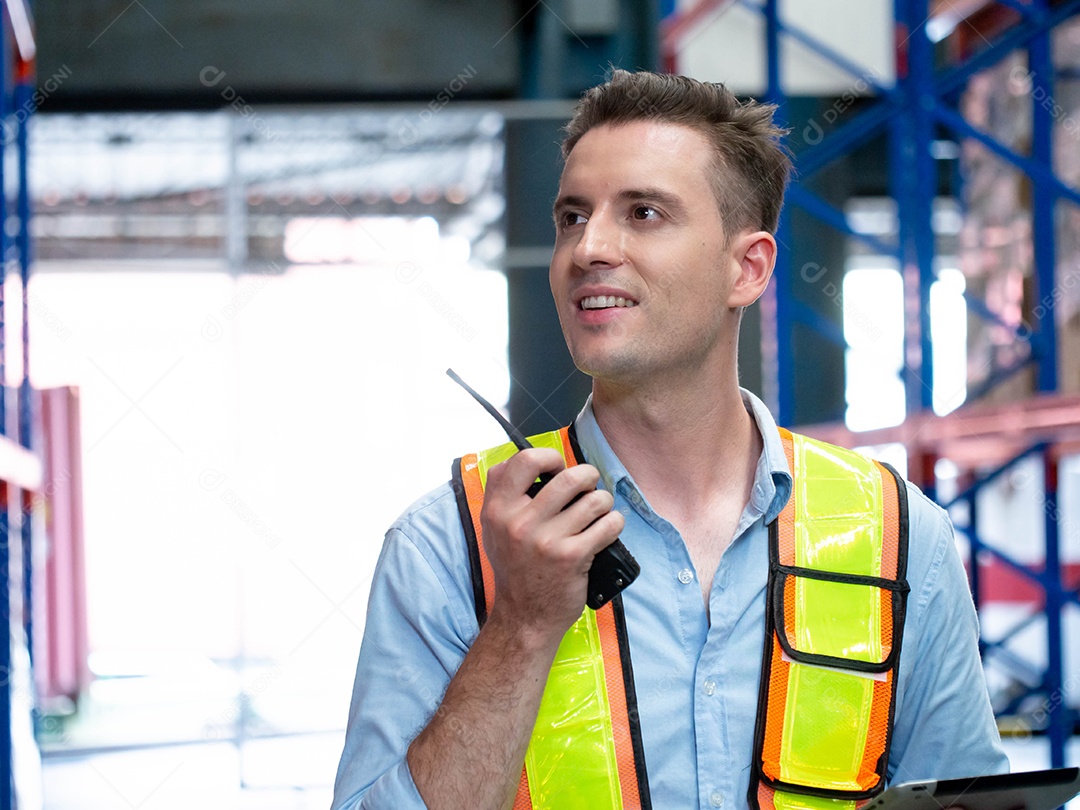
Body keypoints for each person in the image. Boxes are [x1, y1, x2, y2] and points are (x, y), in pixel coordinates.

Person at [332, 70, 1008, 810]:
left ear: (746, 268)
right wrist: (520, 626)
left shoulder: (899, 538)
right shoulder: (449, 544)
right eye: (571, 217)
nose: (589, 247)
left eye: (644, 213)